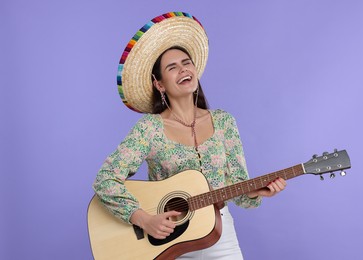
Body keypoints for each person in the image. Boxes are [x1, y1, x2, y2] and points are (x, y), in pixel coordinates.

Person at [93, 12, 287, 259]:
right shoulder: (149, 129)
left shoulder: (224, 122)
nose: (183, 69)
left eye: (186, 62)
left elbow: (236, 187)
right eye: (172, 67)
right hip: (170, 244)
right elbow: (105, 179)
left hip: (220, 236)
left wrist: (254, 191)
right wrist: (143, 219)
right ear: (160, 84)